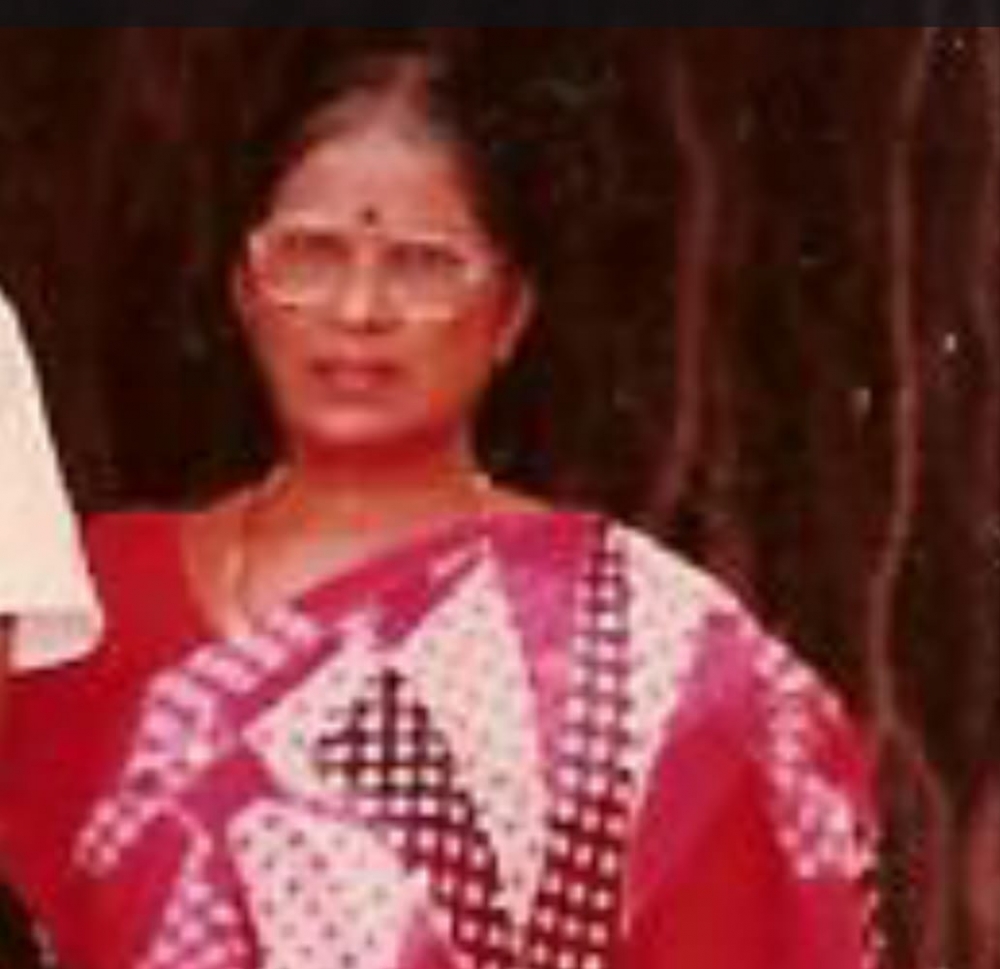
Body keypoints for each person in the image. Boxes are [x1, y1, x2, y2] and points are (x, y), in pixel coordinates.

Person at [0, 30, 879, 969]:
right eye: (310, 253)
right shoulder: (80, 605)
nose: (358, 309)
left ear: (511, 313)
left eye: (421, 263)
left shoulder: (639, 648)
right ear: (245, 287)